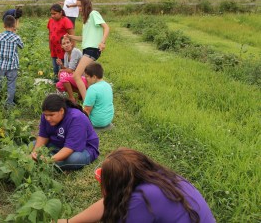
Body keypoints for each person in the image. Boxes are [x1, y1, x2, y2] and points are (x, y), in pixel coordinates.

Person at [58, 148, 215, 223]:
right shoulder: (160, 176)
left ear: (119, 183)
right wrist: (69, 222)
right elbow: (109, 203)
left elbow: (113, 204)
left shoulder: (142, 199)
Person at [30, 94, 99, 171]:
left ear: (62, 111)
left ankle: (49, 162)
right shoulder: (46, 115)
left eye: (51, 115)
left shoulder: (76, 118)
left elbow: (69, 148)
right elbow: (43, 136)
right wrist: (35, 153)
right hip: (58, 143)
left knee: (74, 159)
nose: (48, 118)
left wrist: (48, 160)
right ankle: (50, 159)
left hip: (83, 149)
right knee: (32, 145)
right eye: (45, 115)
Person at [66, 0, 109, 100]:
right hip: (87, 49)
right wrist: (70, 36)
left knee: (76, 75)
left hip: (93, 49)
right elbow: (83, 38)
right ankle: (93, 98)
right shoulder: (86, 20)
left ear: (86, 4)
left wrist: (102, 42)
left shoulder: (94, 14)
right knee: (87, 77)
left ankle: (87, 103)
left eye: (80, 5)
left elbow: (106, 27)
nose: (79, 8)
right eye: (77, 6)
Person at [0, 15, 24, 108]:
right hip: (12, 66)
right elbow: (22, 46)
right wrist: (15, 33)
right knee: (11, 85)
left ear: (4, 25)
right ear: (14, 25)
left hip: (0, 65)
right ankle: (9, 104)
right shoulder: (16, 37)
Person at [56, 35, 88, 103]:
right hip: (75, 78)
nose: (66, 45)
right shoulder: (66, 54)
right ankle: (81, 92)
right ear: (61, 46)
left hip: (84, 79)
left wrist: (61, 70)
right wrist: (61, 65)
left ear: (72, 43)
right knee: (59, 85)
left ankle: (71, 98)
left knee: (63, 75)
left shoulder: (75, 51)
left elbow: (70, 70)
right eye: (64, 44)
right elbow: (68, 69)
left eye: (68, 42)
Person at [47, 4, 74, 82]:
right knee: (55, 68)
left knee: (62, 69)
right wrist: (50, 45)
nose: (52, 16)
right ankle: (56, 84)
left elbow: (72, 36)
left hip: (63, 50)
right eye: (51, 14)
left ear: (60, 13)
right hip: (54, 49)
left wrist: (72, 51)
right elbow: (50, 33)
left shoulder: (66, 21)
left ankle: (63, 85)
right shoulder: (50, 21)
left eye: (54, 13)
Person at [83, 62, 114, 128]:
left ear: (94, 77)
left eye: (87, 77)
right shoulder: (108, 85)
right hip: (108, 119)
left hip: (97, 122)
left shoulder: (92, 89)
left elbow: (87, 110)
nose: (86, 79)